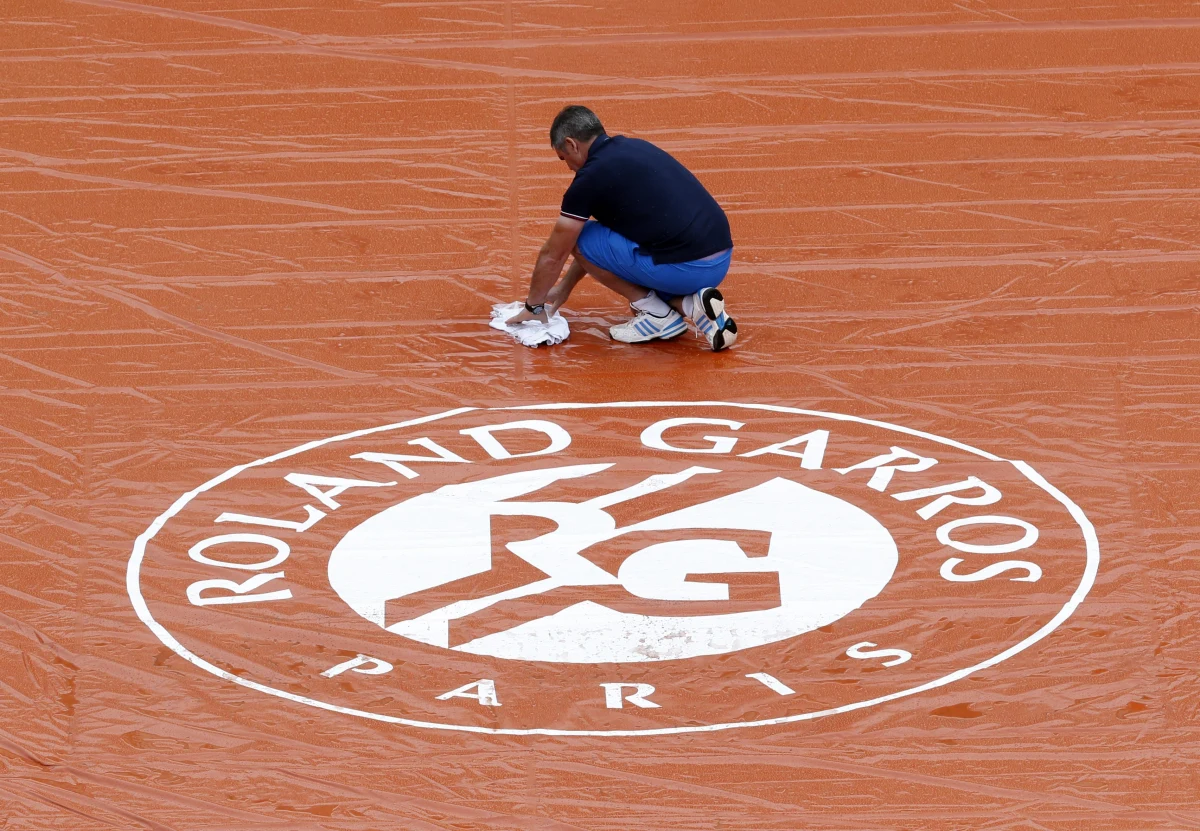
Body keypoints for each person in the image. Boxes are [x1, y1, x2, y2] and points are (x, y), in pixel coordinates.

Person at [505, 105, 738, 351]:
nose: (568, 167)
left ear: (572, 144)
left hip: (685, 270)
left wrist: (534, 306)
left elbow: (555, 253)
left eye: (564, 158)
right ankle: (694, 306)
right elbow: (600, 250)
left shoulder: (589, 179)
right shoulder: (636, 147)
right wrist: (564, 288)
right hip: (720, 261)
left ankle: (657, 315)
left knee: (578, 237)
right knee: (621, 245)